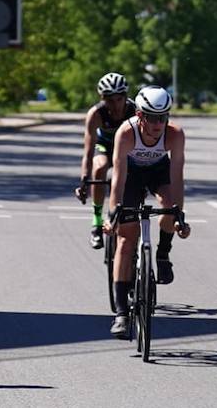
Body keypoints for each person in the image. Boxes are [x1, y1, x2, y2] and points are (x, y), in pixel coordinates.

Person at [105, 86, 190, 338]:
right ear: (140, 116)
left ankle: (163, 254)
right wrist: (113, 215)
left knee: (168, 210)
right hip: (131, 175)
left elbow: (177, 178)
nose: (158, 123)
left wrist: (179, 216)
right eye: (152, 117)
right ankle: (121, 314)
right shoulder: (126, 133)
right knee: (125, 239)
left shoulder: (174, 134)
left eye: (163, 117)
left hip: (158, 172)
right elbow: (117, 178)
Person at [75, 73, 135, 249]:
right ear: (102, 99)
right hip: (105, 146)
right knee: (99, 167)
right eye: (110, 100)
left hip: (127, 147)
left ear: (125, 97)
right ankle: (97, 221)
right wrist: (84, 181)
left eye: (119, 99)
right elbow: (88, 152)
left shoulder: (134, 111)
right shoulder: (96, 114)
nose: (115, 105)